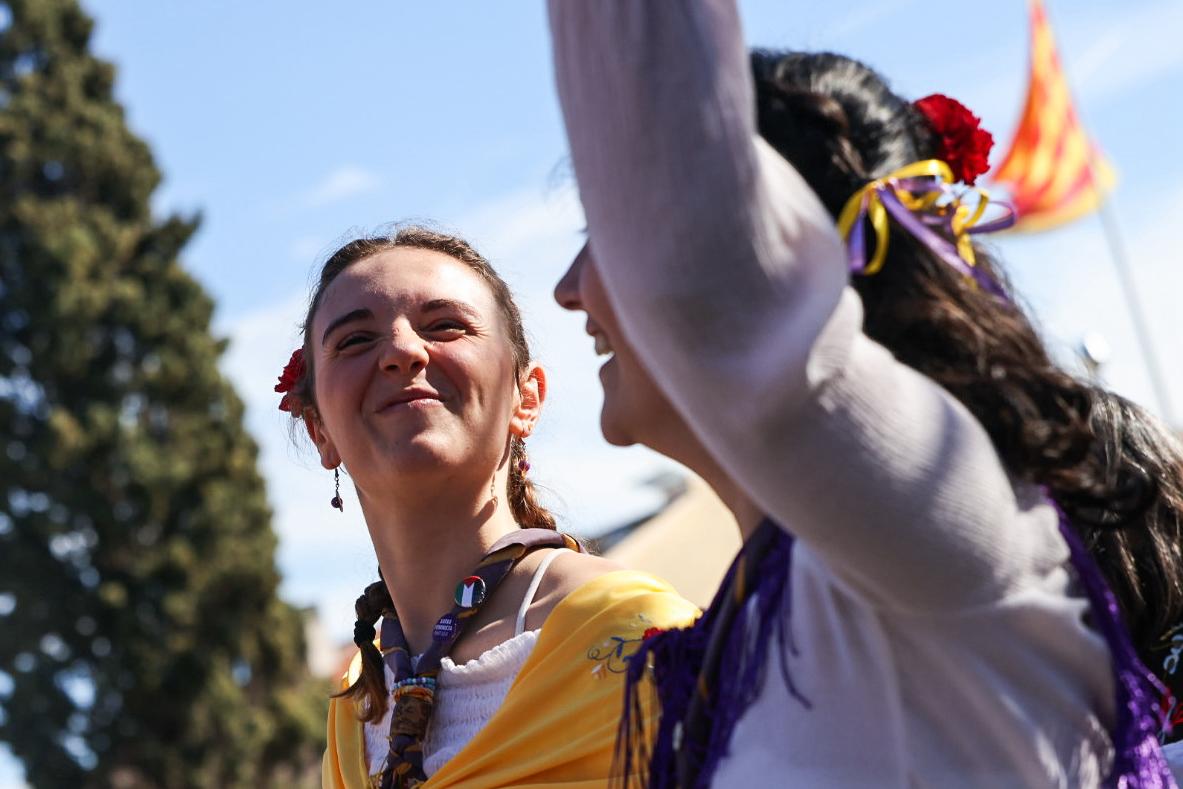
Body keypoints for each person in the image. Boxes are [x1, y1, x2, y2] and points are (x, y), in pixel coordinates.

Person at [548, 2, 1174, 786]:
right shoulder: (777, 598)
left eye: (605, 234)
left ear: (779, 266)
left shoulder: (926, 530)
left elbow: (700, 271)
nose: (566, 289)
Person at [276, 226, 698, 788]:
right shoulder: (354, 712)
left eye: (445, 325)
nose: (403, 351)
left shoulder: (635, 634)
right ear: (319, 431)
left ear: (527, 399)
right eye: (355, 341)